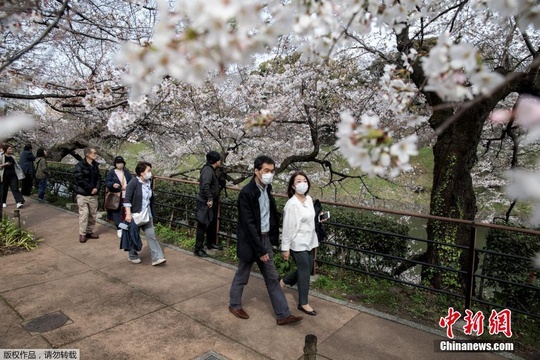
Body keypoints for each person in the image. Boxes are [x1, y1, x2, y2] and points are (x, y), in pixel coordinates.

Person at [228, 155, 303, 326]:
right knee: (242, 275)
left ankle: (283, 314)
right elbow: (249, 225)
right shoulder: (247, 193)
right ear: (256, 171)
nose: (270, 174)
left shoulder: (267, 189)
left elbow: (268, 215)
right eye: (266, 171)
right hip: (251, 241)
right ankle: (234, 305)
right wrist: (260, 250)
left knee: (272, 277)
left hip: (265, 238)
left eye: (272, 171)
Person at [280, 171, 319, 316]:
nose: (302, 183)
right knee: (304, 272)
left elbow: (310, 219)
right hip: (297, 242)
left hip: (309, 241)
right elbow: (287, 227)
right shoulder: (291, 204)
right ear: (293, 186)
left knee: (307, 269)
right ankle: (303, 303)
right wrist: (285, 248)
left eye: (304, 180)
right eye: (298, 181)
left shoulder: (308, 199)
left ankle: (283, 282)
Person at [124, 161, 166, 266]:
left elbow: (149, 199)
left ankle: (157, 258)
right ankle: (132, 255)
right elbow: (127, 199)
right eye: (148, 171)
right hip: (135, 215)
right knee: (134, 235)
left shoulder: (148, 183)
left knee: (151, 236)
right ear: (142, 172)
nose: (150, 173)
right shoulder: (133, 183)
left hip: (147, 214)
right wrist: (128, 214)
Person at [194, 150, 223, 257]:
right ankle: (198, 249)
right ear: (216, 161)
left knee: (210, 223)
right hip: (205, 202)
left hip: (208, 201)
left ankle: (210, 243)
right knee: (202, 224)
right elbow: (205, 185)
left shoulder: (210, 170)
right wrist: (210, 198)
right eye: (219, 159)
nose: (221, 161)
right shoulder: (207, 170)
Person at [73, 147, 102, 243]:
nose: (95, 154)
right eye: (93, 153)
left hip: (93, 195)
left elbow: (99, 178)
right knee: (84, 214)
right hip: (83, 194)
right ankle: (82, 233)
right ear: (87, 154)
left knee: (93, 214)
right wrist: (90, 188)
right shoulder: (79, 165)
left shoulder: (95, 165)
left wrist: (96, 188)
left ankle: (89, 231)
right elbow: (79, 179)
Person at [105, 156, 132, 236]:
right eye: (118, 163)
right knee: (117, 212)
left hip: (126, 195)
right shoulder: (112, 172)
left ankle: (124, 227)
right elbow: (107, 182)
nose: (120, 164)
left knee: (125, 212)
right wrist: (113, 185)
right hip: (116, 195)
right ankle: (119, 228)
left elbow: (131, 181)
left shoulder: (126, 172)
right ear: (115, 164)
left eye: (121, 163)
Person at [1, 144, 26, 209]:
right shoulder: (1, 157)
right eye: (9, 149)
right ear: (5, 150)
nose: (11, 150)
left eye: (11, 149)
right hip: (4, 175)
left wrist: (20, 174)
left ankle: (19, 201)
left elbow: (17, 166)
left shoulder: (13, 157)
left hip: (13, 175)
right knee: (4, 189)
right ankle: (3, 202)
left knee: (15, 188)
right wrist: (4, 164)